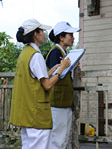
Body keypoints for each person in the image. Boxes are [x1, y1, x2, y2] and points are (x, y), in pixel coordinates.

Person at [9, 19, 70, 149]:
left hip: (26, 113)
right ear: (35, 34)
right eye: (41, 31)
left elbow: (32, 78)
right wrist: (61, 68)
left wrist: (51, 71)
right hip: (36, 114)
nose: (44, 33)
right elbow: (47, 85)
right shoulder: (36, 55)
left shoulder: (25, 53)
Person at [46, 21, 80, 149]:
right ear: (61, 37)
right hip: (57, 102)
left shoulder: (64, 53)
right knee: (57, 139)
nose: (73, 38)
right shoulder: (55, 52)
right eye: (70, 35)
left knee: (63, 137)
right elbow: (55, 76)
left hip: (64, 102)